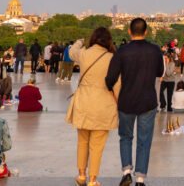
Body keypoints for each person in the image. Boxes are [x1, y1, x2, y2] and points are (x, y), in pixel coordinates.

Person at [104, 18, 164, 186]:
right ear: (145, 32)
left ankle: (126, 171)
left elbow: (110, 78)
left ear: (129, 31)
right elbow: (160, 72)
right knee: (144, 140)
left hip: (127, 101)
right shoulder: (154, 50)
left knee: (125, 137)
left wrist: (110, 88)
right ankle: (140, 178)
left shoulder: (122, 51)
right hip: (148, 101)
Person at [68, 27, 119, 186]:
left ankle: (81, 175)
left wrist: (79, 41)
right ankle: (93, 179)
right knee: (97, 145)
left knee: (82, 141)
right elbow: (117, 84)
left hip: (83, 102)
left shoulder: (84, 54)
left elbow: (71, 52)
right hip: (103, 104)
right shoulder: (112, 58)